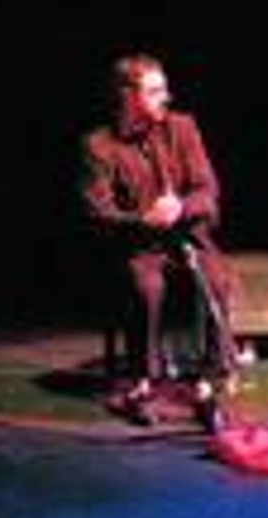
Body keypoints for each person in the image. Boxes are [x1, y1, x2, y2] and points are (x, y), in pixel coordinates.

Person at [79, 52, 240, 432]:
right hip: (137, 243)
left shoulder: (182, 128)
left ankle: (206, 384)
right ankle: (143, 383)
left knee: (216, 280)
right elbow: (97, 212)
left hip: (186, 236)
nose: (165, 97)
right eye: (154, 91)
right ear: (128, 96)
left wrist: (180, 207)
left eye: (164, 89)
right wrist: (143, 219)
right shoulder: (98, 145)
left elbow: (208, 189)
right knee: (146, 287)